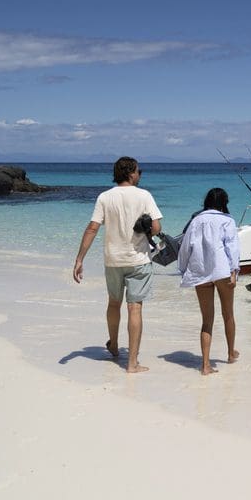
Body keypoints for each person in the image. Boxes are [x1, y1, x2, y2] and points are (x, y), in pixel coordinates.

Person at [73, 156, 162, 374]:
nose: (140, 175)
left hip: (113, 260)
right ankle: (132, 363)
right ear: (131, 173)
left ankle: (113, 344)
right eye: (139, 172)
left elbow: (93, 228)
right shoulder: (144, 196)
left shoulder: (105, 197)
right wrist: (147, 227)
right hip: (138, 260)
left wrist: (79, 259)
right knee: (135, 308)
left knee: (114, 303)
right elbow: (157, 227)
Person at [178, 188, 240, 375]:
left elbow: (185, 248)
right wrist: (234, 271)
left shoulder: (196, 220)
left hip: (200, 271)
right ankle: (230, 353)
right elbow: (232, 248)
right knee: (228, 314)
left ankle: (205, 365)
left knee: (207, 320)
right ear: (224, 203)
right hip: (222, 271)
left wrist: (183, 270)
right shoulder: (227, 220)